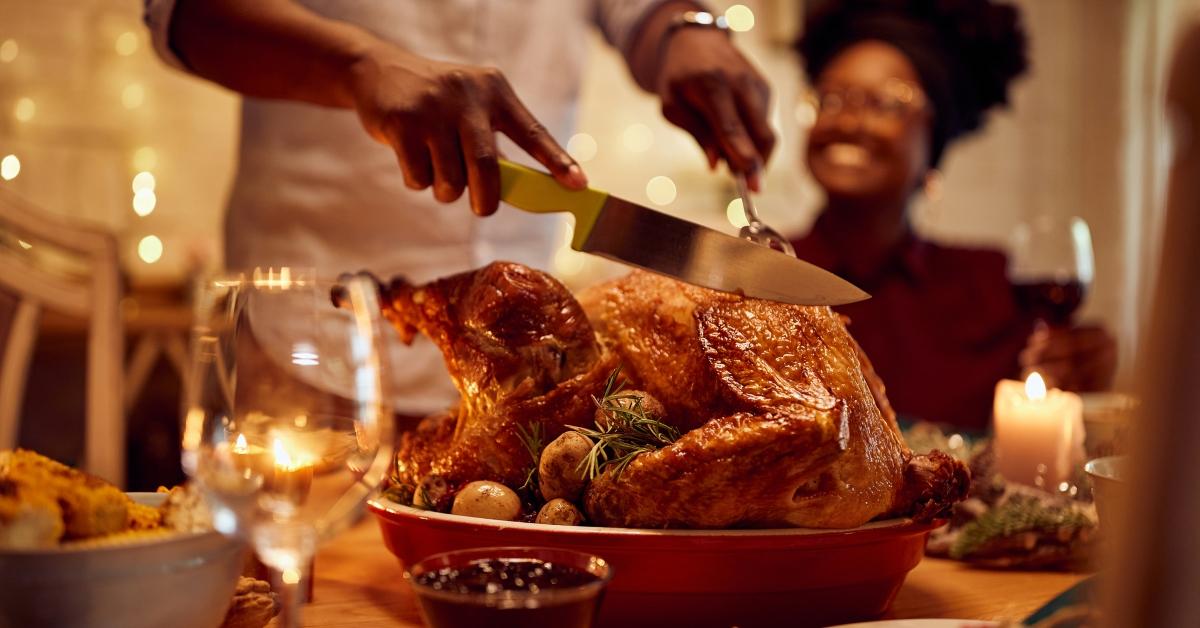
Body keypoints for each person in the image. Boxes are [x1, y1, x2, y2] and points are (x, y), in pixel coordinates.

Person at [144, 0, 775, 416]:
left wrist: (687, 29)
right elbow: (179, 14)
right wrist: (357, 67)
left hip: (525, 365)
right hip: (310, 330)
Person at [790, 0, 1116, 430]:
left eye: (886, 103)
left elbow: (1036, 422)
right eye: (831, 97)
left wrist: (1079, 374)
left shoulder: (994, 289)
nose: (848, 120)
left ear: (934, 141)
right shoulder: (763, 276)